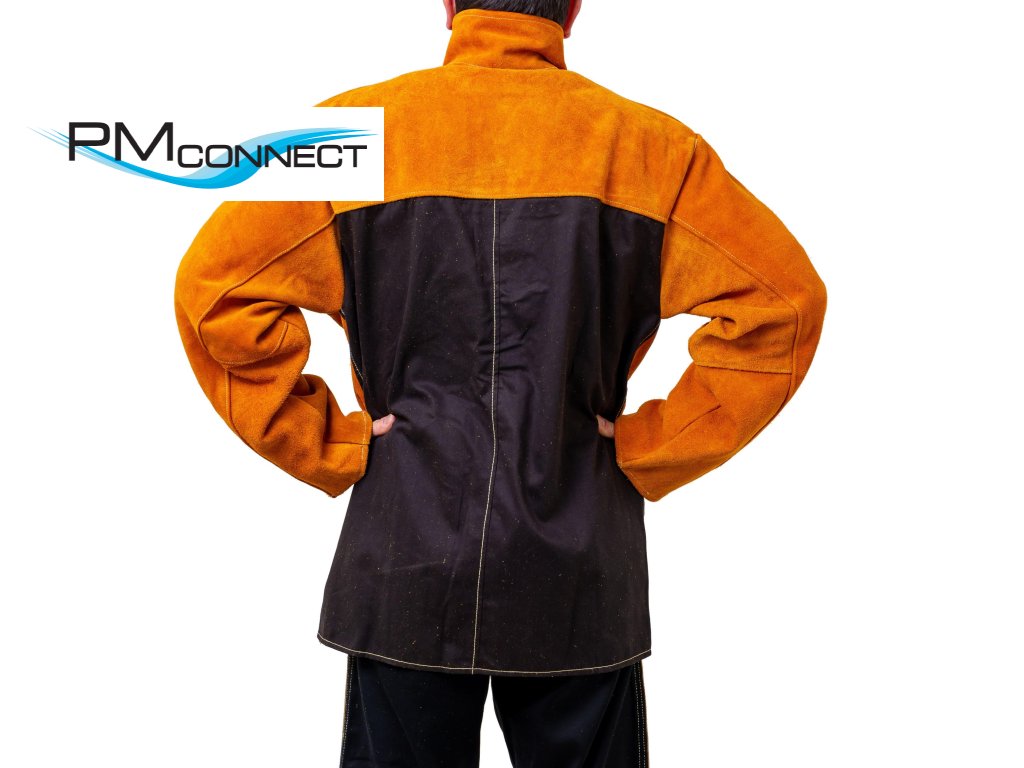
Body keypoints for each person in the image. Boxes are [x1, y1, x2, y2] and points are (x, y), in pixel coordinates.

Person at [172, 0, 828, 764]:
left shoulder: (349, 134)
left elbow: (212, 294)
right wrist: (654, 443)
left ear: (450, 5)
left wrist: (323, 442)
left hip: (405, 554)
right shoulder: (653, 150)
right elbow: (784, 303)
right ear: (573, 9)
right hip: (579, 562)